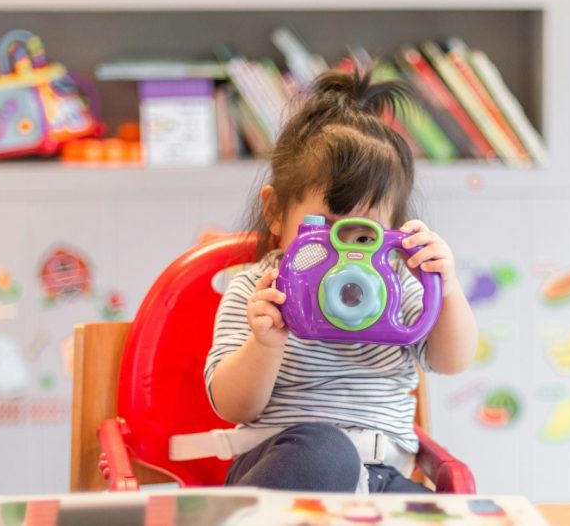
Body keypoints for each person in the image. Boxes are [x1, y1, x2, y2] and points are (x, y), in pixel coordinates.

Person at [203, 63, 478, 493]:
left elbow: (452, 360)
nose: (345, 256)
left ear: (394, 232)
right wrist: (264, 344)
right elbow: (232, 405)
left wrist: (446, 286)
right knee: (327, 452)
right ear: (276, 212)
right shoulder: (259, 290)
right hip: (289, 468)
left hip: (382, 476)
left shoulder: (395, 285)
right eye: (325, 230)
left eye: (364, 236)